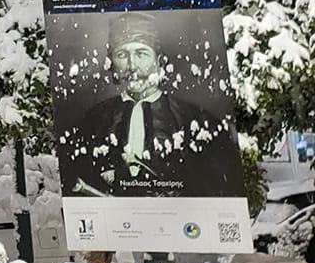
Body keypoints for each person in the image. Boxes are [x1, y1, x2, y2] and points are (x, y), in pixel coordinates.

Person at [56, 17, 233, 198]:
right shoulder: (93, 121)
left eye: (142, 54)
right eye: (122, 55)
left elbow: (215, 190)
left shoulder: (196, 122)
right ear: (112, 64)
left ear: (160, 60)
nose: (132, 66)